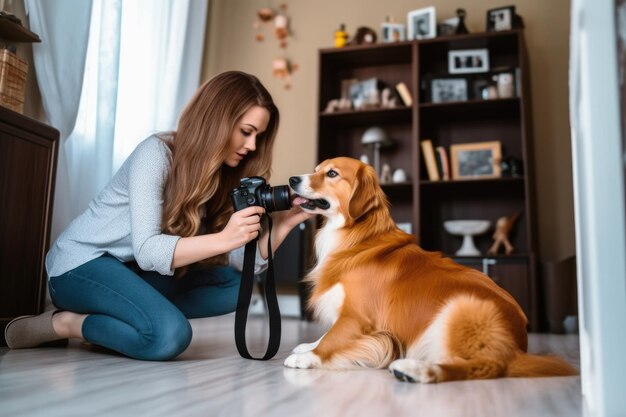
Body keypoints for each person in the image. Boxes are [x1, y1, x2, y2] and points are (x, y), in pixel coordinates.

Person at [4, 71, 314, 361]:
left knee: (237, 286)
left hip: (130, 272)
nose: (251, 146)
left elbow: (237, 261)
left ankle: (127, 321)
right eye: (246, 132)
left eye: (258, 136)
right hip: (80, 265)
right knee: (169, 336)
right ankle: (65, 323)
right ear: (216, 120)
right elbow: (149, 250)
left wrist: (284, 225)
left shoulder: (220, 175)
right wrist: (222, 239)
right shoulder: (155, 154)